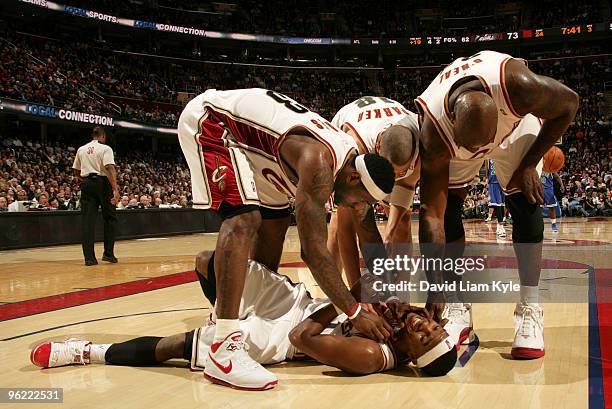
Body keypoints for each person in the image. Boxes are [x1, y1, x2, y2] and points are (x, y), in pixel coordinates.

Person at [178, 88, 396, 390]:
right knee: (244, 220)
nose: (359, 208)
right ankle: (224, 351)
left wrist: (388, 290)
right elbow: (313, 253)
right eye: (362, 201)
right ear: (354, 179)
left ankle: (232, 315)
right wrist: (355, 311)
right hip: (215, 123)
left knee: (273, 232)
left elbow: (370, 236)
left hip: (258, 150)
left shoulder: (350, 168)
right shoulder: (320, 163)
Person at [30, 251, 457, 382]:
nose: (423, 326)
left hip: (279, 336)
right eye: (432, 326)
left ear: (410, 358)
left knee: (175, 348)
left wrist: (353, 303)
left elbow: (302, 339)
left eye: (424, 337)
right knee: (210, 261)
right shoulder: (404, 318)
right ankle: (220, 315)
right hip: (298, 303)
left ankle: (88, 352)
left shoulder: (372, 354)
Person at [413, 50, 579, 358]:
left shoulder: (520, 85)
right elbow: (430, 215)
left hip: (516, 128)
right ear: (452, 120)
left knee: (526, 201)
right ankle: (456, 299)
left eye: (485, 145)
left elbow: (569, 103)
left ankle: (530, 307)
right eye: (476, 148)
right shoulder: (433, 129)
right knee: (447, 209)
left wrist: (530, 163)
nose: (483, 153)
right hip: (457, 141)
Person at [330, 96, 421, 286]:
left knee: (403, 223)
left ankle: (401, 295)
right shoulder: (354, 146)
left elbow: (404, 189)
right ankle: (338, 293)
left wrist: (389, 234)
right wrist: (358, 294)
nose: (396, 177)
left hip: (385, 123)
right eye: (392, 173)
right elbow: (348, 230)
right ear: (378, 150)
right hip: (349, 123)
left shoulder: (420, 139)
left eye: (401, 172)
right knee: (341, 222)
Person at [72, 127, 119, 266]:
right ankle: (108, 254)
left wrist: (84, 181)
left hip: (87, 183)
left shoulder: (81, 149)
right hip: (103, 183)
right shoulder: (105, 149)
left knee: (87, 221)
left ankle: (89, 258)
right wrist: (115, 189)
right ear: (103, 136)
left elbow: (76, 170)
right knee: (110, 218)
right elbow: (110, 168)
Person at [486, 160, 507, 237]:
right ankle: (500, 227)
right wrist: (487, 179)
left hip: (503, 180)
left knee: (502, 204)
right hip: (493, 181)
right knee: (497, 204)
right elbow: (487, 167)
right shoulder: (489, 155)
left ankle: (500, 225)